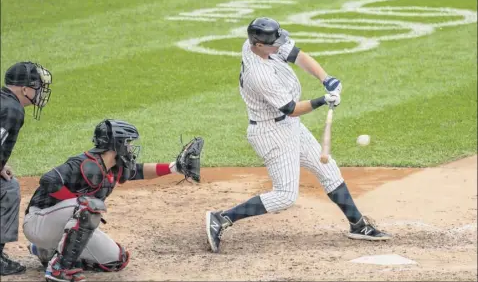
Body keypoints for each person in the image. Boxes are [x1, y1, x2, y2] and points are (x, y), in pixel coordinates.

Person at [205, 17, 391, 253]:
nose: (279, 45)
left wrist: (327, 78)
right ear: (258, 45)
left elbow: (297, 55)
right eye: (274, 43)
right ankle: (221, 218)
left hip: (287, 126)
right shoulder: (259, 74)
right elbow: (291, 109)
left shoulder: (260, 43)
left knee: (328, 169)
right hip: (271, 131)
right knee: (285, 196)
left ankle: (358, 225)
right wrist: (323, 100)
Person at [23, 119, 203, 282]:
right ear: (116, 145)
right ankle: (59, 269)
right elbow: (48, 180)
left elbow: (139, 171)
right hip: (38, 222)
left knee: (116, 259)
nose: (131, 148)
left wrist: (174, 167)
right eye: (128, 143)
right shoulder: (83, 164)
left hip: (61, 225)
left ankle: (46, 251)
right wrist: (78, 203)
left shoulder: (112, 168)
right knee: (89, 205)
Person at [0, 61, 53, 275]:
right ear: (24, 89)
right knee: (8, 190)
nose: (40, 91)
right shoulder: (13, 110)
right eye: (37, 87)